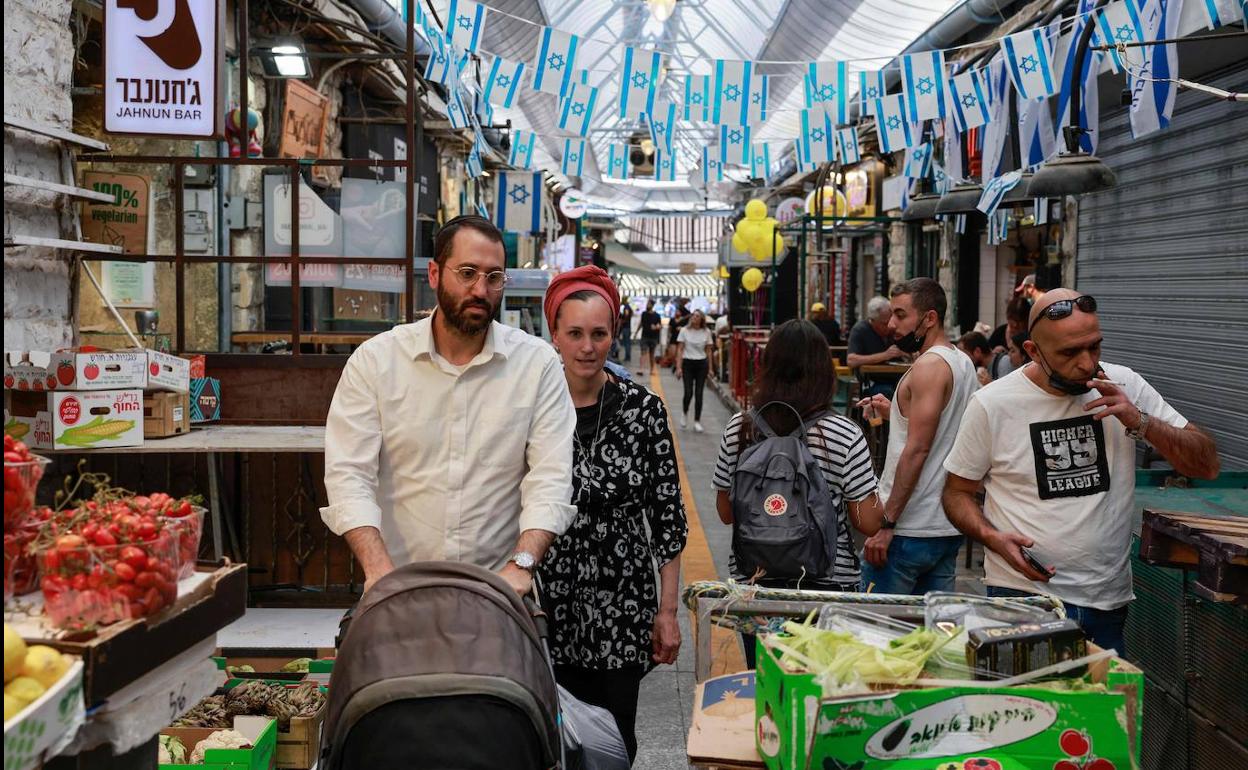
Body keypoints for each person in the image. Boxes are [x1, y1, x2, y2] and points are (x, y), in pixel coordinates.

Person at [942, 289, 1220, 652]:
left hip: (1105, 600)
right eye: (1070, 353)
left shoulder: (1126, 385)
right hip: (1022, 598)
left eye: (1095, 347)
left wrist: (1141, 422)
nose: (1087, 364)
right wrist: (992, 538)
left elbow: (1207, 465)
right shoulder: (993, 403)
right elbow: (956, 492)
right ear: (1032, 351)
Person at [321, 215, 577, 597]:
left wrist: (520, 566)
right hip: (400, 585)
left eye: (494, 277)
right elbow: (349, 475)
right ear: (435, 273)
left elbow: (550, 480)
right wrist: (378, 569)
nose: (481, 289)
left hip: (498, 591)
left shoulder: (536, 365)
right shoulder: (376, 361)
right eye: (468, 273)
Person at [537, 266, 687, 764]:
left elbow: (667, 518)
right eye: (574, 333)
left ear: (614, 334)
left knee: (616, 740)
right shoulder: (531, 407)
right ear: (554, 334)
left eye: (598, 334)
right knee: (547, 738)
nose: (587, 346)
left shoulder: (643, 410)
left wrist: (667, 613)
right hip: (546, 601)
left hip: (623, 603)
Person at [713, 319, 886, 668]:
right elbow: (866, 522)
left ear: (769, 367)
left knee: (766, 689)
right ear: (824, 371)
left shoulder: (740, 427)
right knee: (819, 692)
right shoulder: (843, 433)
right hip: (825, 588)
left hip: (757, 588)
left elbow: (726, 512)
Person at [855, 279, 978, 595]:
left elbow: (919, 449)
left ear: (930, 318)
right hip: (945, 526)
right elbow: (946, 427)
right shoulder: (962, 363)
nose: (892, 324)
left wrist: (887, 524)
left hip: (910, 529)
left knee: (880, 634)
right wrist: (894, 412)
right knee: (932, 636)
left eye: (901, 315)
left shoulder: (929, 367)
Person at [847, 296, 904, 398]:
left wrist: (908, 352)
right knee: (887, 393)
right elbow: (851, 360)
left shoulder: (894, 329)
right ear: (872, 320)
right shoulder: (860, 330)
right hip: (872, 382)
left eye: (890, 320)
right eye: (885, 323)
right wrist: (885, 355)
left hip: (897, 379)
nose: (890, 326)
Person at [676, 310, 714, 432]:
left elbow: (709, 351)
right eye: (693, 315)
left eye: (697, 316)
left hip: (701, 364)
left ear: (701, 319)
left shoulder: (706, 332)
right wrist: (678, 367)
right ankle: (684, 412)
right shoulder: (684, 330)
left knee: (699, 394)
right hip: (687, 363)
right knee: (688, 392)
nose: (694, 317)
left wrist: (711, 369)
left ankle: (697, 421)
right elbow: (680, 349)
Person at [638, 299, 662, 377]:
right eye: (647, 303)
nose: (647, 305)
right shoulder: (643, 314)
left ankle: (652, 370)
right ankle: (641, 369)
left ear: (652, 305)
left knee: (652, 354)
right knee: (643, 352)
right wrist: (635, 333)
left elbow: (660, 326)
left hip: (653, 337)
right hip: (644, 336)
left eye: (648, 304)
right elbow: (641, 324)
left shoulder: (657, 315)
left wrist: (657, 327)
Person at [618, 298, 634, 363]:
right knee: (627, 343)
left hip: (626, 327)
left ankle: (627, 357)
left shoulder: (626, 307)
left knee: (627, 343)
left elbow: (627, 314)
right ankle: (628, 356)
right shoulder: (629, 307)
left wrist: (623, 321)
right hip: (628, 327)